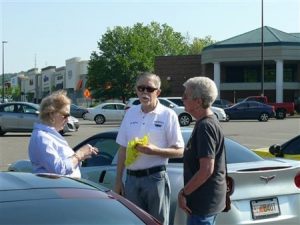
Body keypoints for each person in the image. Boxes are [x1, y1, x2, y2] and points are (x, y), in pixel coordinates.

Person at [115, 72, 184, 225]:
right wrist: (118, 180)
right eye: (141, 88)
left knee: (157, 223)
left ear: (158, 92)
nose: (144, 92)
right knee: (134, 222)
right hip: (131, 179)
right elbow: (122, 149)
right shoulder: (130, 113)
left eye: (149, 89)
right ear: (136, 90)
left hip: (155, 179)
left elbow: (179, 151)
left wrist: (155, 151)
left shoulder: (168, 115)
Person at [178, 77, 227, 225]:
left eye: (185, 96)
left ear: (198, 101)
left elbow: (206, 169)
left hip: (202, 205)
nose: (182, 99)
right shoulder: (207, 123)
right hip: (207, 203)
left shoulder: (205, 126)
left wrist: (184, 193)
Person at [28, 90, 98, 178]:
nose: (68, 119)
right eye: (65, 115)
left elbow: (66, 165)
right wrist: (79, 154)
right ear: (51, 114)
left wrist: (83, 155)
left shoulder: (50, 135)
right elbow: (58, 169)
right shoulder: (42, 137)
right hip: (56, 190)